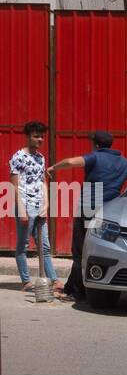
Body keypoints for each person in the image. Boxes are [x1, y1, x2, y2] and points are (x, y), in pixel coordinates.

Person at [46, 131, 127, 301]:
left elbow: (70, 162)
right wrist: (123, 178)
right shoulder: (123, 161)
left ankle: (76, 291)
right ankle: (75, 287)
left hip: (90, 206)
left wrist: (53, 168)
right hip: (110, 208)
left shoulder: (95, 157)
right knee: (97, 248)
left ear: (96, 145)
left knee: (80, 250)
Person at [10, 121, 56, 292]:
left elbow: (43, 181)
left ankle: (53, 279)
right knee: (23, 246)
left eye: (42, 136)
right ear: (28, 136)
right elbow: (14, 186)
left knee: (44, 246)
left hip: (39, 206)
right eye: (36, 136)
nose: (40, 139)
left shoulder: (40, 157)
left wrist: (46, 204)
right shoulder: (18, 157)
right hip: (26, 206)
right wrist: (21, 210)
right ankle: (26, 281)